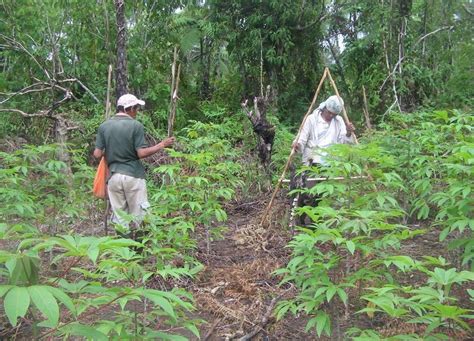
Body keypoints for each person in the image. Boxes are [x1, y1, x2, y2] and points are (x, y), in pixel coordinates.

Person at [93, 93, 175, 230]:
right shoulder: (136, 126)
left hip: (113, 178)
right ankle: (138, 248)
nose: (137, 112)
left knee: (119, 217)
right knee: (140, 216)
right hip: (133, 176)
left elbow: (97, 154)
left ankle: (122, 248)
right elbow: (141, 153)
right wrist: (162, 144)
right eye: (136, 108)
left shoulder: (104, 126)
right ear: (129, 109)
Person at [290, 95, 355, 225]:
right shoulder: (311, 119)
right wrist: (297, 145)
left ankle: (318, 223)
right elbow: (302, 139)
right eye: (329, 113)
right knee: (308, 193)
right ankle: (303, 220)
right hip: (312, 161)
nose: (330, 116)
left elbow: (344, 142)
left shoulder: (339, 121)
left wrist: (348, 133)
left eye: (333, 114)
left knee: (323, 195)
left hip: (330, 163)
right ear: (324, 108)